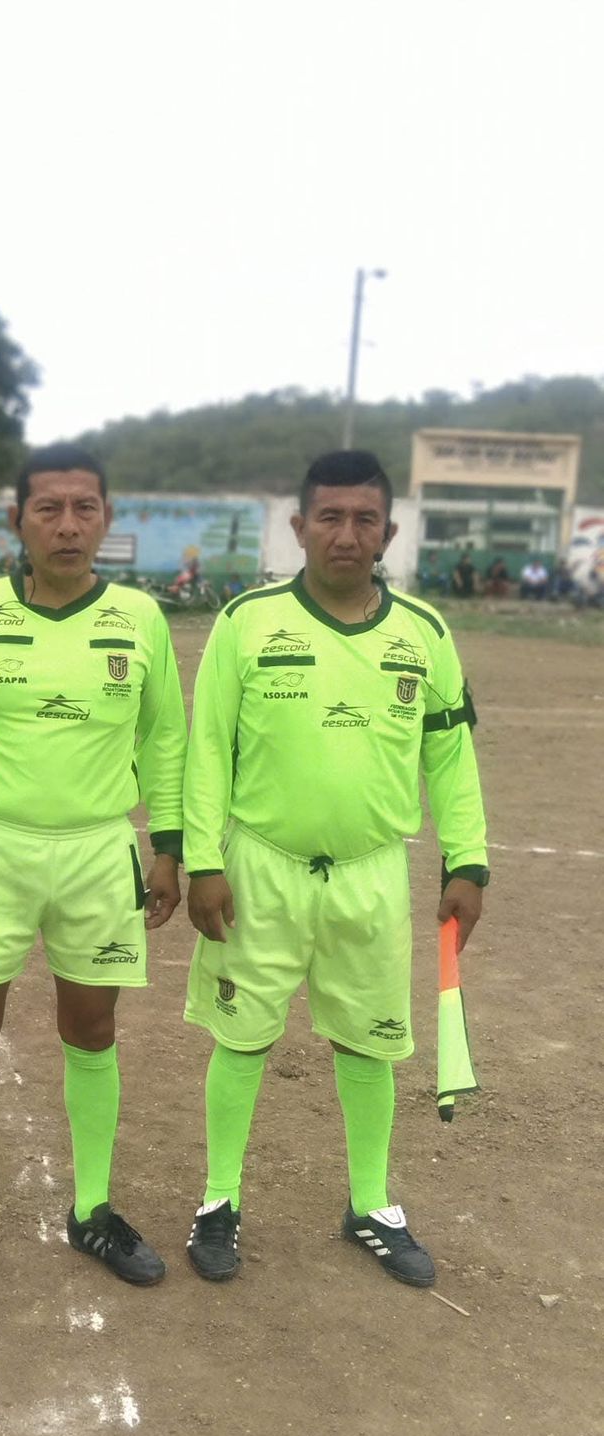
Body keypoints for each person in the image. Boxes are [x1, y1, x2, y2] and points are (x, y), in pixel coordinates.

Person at [182, 450, 488, 1291]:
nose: (346, 534)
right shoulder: (246, 622)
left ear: (388, 531)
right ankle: (218, 1200)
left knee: (370, 1042)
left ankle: (370, 1204)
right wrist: (203, 859)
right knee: (242, 1037)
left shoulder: (423, 632)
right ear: (299, 526)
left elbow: (450, 756)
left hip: (372, 874)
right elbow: (207, 750)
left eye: (364, 520)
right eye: (330, 517)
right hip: (260, 868)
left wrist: (468, 859)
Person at [0, 443, 187, 1297]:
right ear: (16, 520)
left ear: (106, 518)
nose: (67, 525)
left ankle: (93, 1208)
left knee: (93, 1029)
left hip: (99, 851)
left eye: (84, 508)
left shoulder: (139, 618)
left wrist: (168, 846)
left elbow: (165, 737)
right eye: (48, 509)